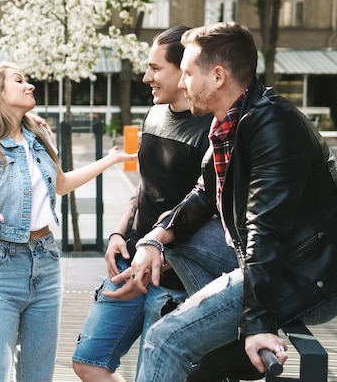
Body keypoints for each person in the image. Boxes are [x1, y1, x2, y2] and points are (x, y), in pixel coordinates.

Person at [109, 22, 337, 382]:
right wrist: (155, 238)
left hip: (307, 273)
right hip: (267, 259)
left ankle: (229, 339)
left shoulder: (273, 127)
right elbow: (203, 194)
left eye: (188, 73)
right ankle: (224, 344)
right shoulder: (229, 123)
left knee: (164, 339)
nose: (183, 83)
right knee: (172, 240)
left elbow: (265, 230)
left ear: (217, 76)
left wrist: (258, 324)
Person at [72, 26, 235, 382]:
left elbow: (210, 207)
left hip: (174, 279)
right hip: (132, 259)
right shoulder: (155, 114)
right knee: (88, 362)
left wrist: (158, 250)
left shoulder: (215, 129)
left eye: (156, 68)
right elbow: (145, 186)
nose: (147, 77)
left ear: (185, 71)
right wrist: (119, 230)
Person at [0, 62, 137, 382]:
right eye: (19, 81)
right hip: (1, 266)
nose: (29, 86)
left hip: (47, 261)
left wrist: (110, 159)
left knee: (38, 376)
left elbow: (62, 184)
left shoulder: (38, 138)